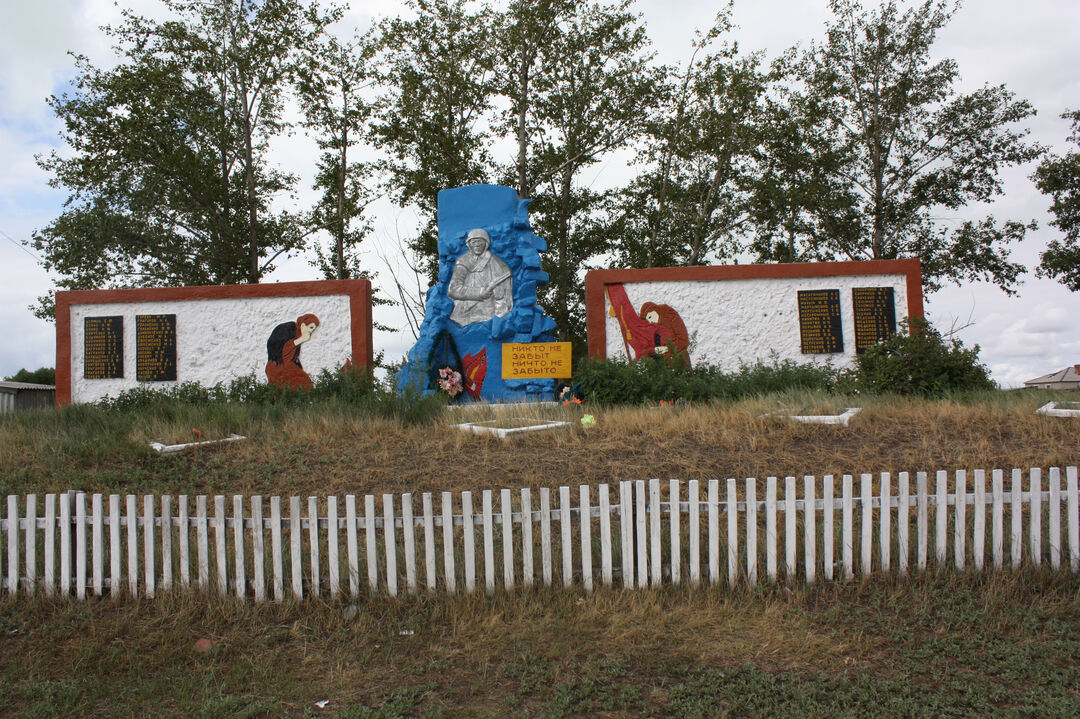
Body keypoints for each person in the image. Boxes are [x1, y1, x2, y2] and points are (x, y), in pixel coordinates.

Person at [447, 228, 512, 326]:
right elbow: (453, 290)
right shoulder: (463, 261)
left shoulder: (497, 264)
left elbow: (504, 293)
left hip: (489, 312)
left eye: (480, 241)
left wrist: (499, 295)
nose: (477, 244)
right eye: (474, 242)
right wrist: (480, 292)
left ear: (486, 243)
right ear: (469, 244)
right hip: (464, 312)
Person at [265, 313, 320, 390]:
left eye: (313, 329)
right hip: (278, 367)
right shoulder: (288, 329)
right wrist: (301, 339)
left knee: (305, 383)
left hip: (288, 367)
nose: (311, 331)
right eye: (310, 327)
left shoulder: (298, 334)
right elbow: (283, 351)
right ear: (303, 325)